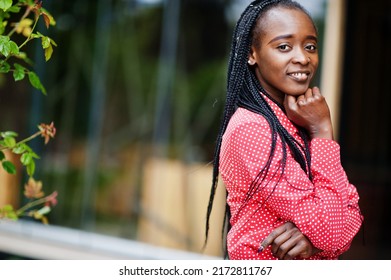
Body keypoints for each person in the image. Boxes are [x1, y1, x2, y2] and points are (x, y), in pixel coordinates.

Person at [205, 0, 363, 260]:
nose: (303, 58)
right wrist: (323, 130)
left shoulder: (295, 121)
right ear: (251, 53)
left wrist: (313, 240)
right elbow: (331, 229)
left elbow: (352, 212)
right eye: (283, 47)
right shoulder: (251, 128)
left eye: (310, 46)